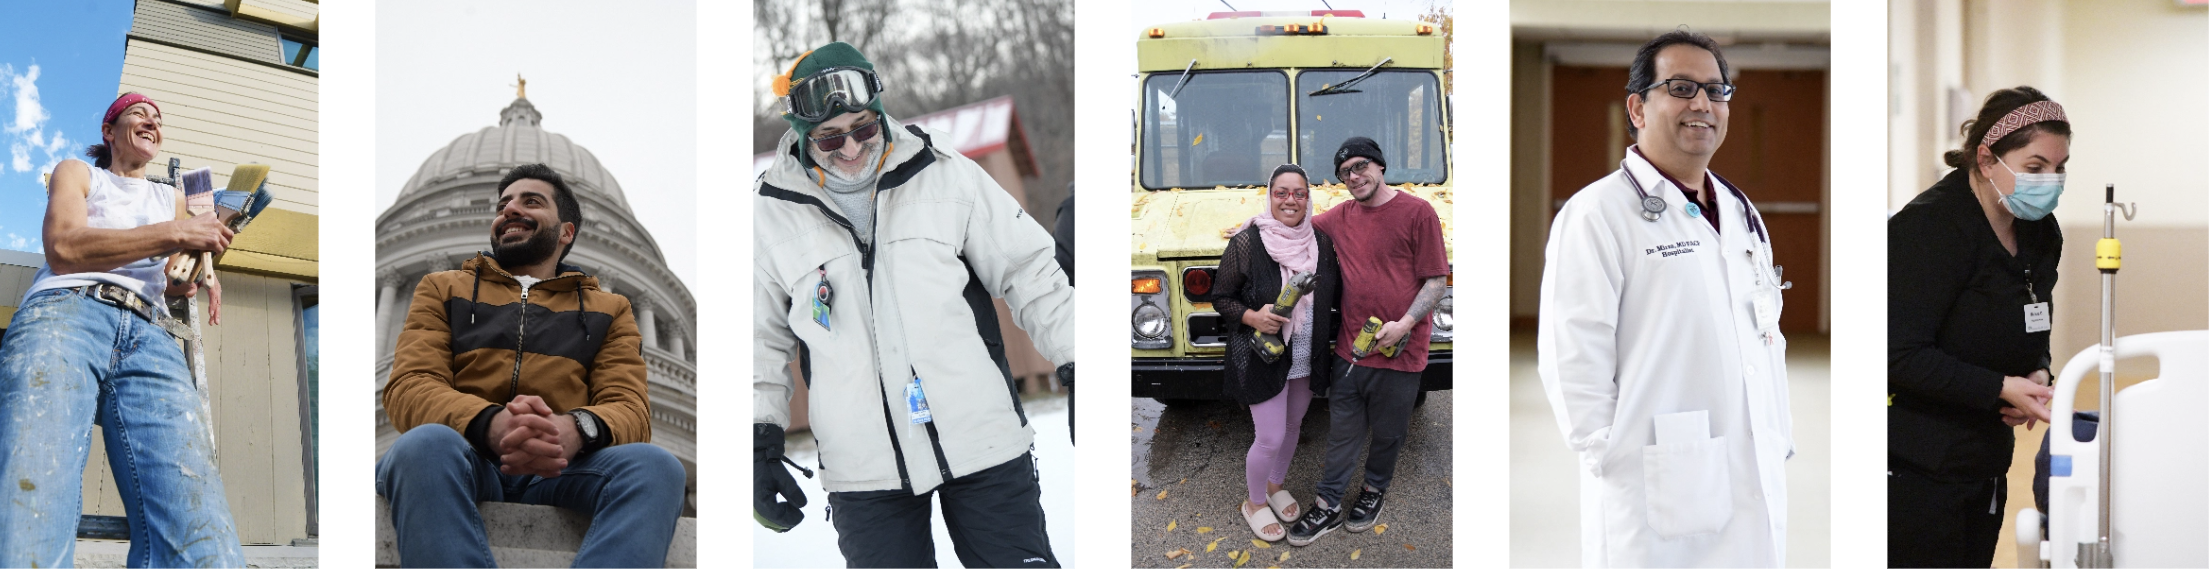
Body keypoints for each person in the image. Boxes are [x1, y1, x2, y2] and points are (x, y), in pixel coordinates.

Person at [752, 42, 1075, 568]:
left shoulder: (945, 171)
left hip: (982, 442)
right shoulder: (769, 216)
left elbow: (1029, 271)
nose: (851, 148)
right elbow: (757, 343)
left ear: (879, 113)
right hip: (863, 472)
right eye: (830, 137)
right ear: (803, 134)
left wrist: (1078, 359)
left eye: (862, 128)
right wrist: (758, 437)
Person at [1535, 30, 1793, 567]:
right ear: (1637, 107)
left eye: (1716, 91)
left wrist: (1774, 429)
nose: (1702, 103)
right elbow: (1572, 354)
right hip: (1654, 478)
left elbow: (1763, 331)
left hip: (1749, 462)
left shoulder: (1741, 212)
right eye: (1681, 87)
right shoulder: (1598, 214)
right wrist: (1611, 453)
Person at [378, 163, 685, 568]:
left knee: (658, 467)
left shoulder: (610, 309)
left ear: (566, 232)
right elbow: (411, 385)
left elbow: (630, 408)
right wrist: (490, 423)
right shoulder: (442, 288)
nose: (509, 209)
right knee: (423, 445)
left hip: (561, 470)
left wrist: (573, 429)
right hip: (462, 454)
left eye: (531, 202)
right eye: (503, 203)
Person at [0, 93, 244, 568]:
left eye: (158, 118)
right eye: (139, 114)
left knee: (203, 535)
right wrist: (177, 234)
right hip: (65, 313)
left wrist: (192, 275)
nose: (152, 121)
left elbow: (174, 274)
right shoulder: (79, 173)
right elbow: (64, 247)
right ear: (109, 130)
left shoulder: (173, 198)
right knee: (34, 498)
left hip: (151, 333)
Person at [1887, 87, 2067, 568]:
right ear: (1987, 159)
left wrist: (2038, 373)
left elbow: (2036, 318)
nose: (2051, 180)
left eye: (2059, 166)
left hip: (1986, 458)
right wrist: (1997, 387)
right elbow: (1897, 354)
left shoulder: (2038, 230)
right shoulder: (1927, 231)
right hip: (1919, 464)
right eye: (2034, 167)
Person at [1284, 137, 1449, 547]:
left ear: (1379, 166)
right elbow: (1298, 225)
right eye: (1344, 174)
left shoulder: (1418, 213)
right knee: (1343, 432)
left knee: (1390, 432)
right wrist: (1255, 225)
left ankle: (1374, 491)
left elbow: (1436, 279)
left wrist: (1406, 322)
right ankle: (1328, 504)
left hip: (1402, 351)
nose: (1353, 177)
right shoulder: (1341, 217)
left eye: (1359, 167)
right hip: (1352, 350)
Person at [1214, 164, 1341, 542]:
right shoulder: (1248, 242)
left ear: (1308, 197)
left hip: (1305, 352)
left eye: (1298, 193)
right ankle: (1254, 503)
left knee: (1292, 426)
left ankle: (1274, 484)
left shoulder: (1320, 243)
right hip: (1264, 354)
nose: (1290, 200)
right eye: (1281, 192)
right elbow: (1221, 297)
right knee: (1268, 435)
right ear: (1270, 196)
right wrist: (1253, 316)